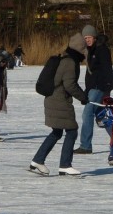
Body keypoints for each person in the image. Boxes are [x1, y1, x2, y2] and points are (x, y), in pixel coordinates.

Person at [29, 33, 88, 177]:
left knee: (57, 132)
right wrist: (83, 97)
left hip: (52, 98)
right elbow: (70, 85)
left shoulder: (65, 57)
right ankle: (65, 165)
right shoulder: (70, 62)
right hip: (59, 100)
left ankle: (37, 160)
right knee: (72, 130)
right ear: (80, 49)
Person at [75, 24, 113, 155]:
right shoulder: (90, 50)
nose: (87, 40)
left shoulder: (101, 50)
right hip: (92, 88)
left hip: (100, 87)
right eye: (85, 38)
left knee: (87, 113)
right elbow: (89, 73)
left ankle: (85, 146)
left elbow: (108, 69)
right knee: (102, 116)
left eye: (89, 37)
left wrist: (108, 86)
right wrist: (86, 92)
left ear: (95, 37)